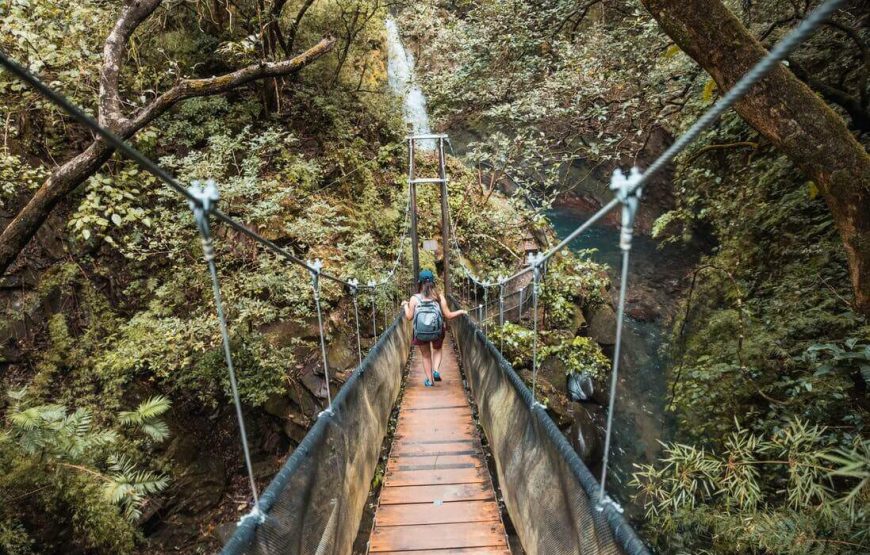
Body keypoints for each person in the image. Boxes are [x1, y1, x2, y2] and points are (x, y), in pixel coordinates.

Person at [401, 269, 467, 387]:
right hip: (437, 331)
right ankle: (436, 370)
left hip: (420, 332)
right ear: (433, 282)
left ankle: (430, 381)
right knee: (437, 349)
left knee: (426, 356)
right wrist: (461, 311)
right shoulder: (438, 297)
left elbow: (409, 317)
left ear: (419, 283)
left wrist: (405, 305)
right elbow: (448, 315)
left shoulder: (414, 298)